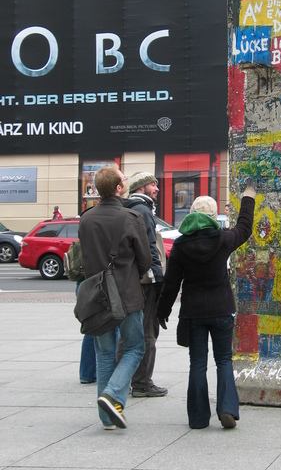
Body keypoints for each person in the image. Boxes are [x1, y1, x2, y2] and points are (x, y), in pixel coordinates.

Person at [156, 182, 256, 430]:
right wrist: (247, 198)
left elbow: (171, 284)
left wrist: (162, 311)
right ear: (213, 217)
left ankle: (199, 418)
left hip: (193, 312)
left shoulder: (180, 245)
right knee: (223, 360)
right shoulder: (222, 239)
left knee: (197, 363)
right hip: (222, 309)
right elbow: (244, 228)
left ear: (191, 216)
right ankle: (227, 409)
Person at [78, 165, 151, 430]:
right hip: (127, 296)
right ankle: (112, 394)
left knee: (105, 354)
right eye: (123, 180)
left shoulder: (85, 219)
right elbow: (145, 261)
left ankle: (107, 418)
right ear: (118, 188)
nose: (126, 181)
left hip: (97, 297)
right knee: (135, 348)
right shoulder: (131, 217)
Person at [122, 171, 167, 398]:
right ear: (141, 188)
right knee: (148, 331)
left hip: (133, 279)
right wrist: (159, 281)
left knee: (130, 331)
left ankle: (122, 377)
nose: (157, 188)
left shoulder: (129, 208)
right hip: (147, 280)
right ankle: (142, 382)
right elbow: (150, 250)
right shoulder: (143, 211)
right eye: (152, 184)